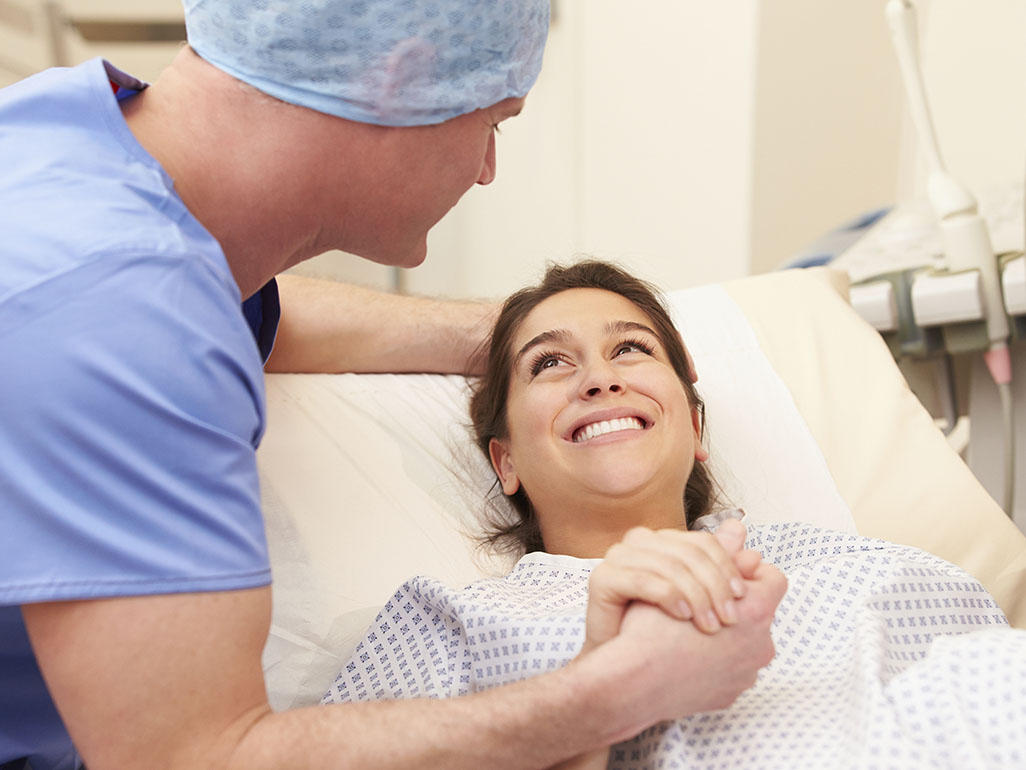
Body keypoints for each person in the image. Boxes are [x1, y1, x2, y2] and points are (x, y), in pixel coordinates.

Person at [0, 3, 786, 768]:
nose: (487, 170)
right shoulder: (121, 318)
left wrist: (529, 334)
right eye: (495, 122)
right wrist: (625, 689)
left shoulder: (67, 141)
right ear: (399, 79)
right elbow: (192, 758)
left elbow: (225, 298)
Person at [324, 261, 1024, 769]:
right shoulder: (450, 624)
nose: (600, 378)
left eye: (630, 349)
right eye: (549, 364)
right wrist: (605, 683)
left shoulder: (854, 562)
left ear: (695, 429)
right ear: (505, 462)